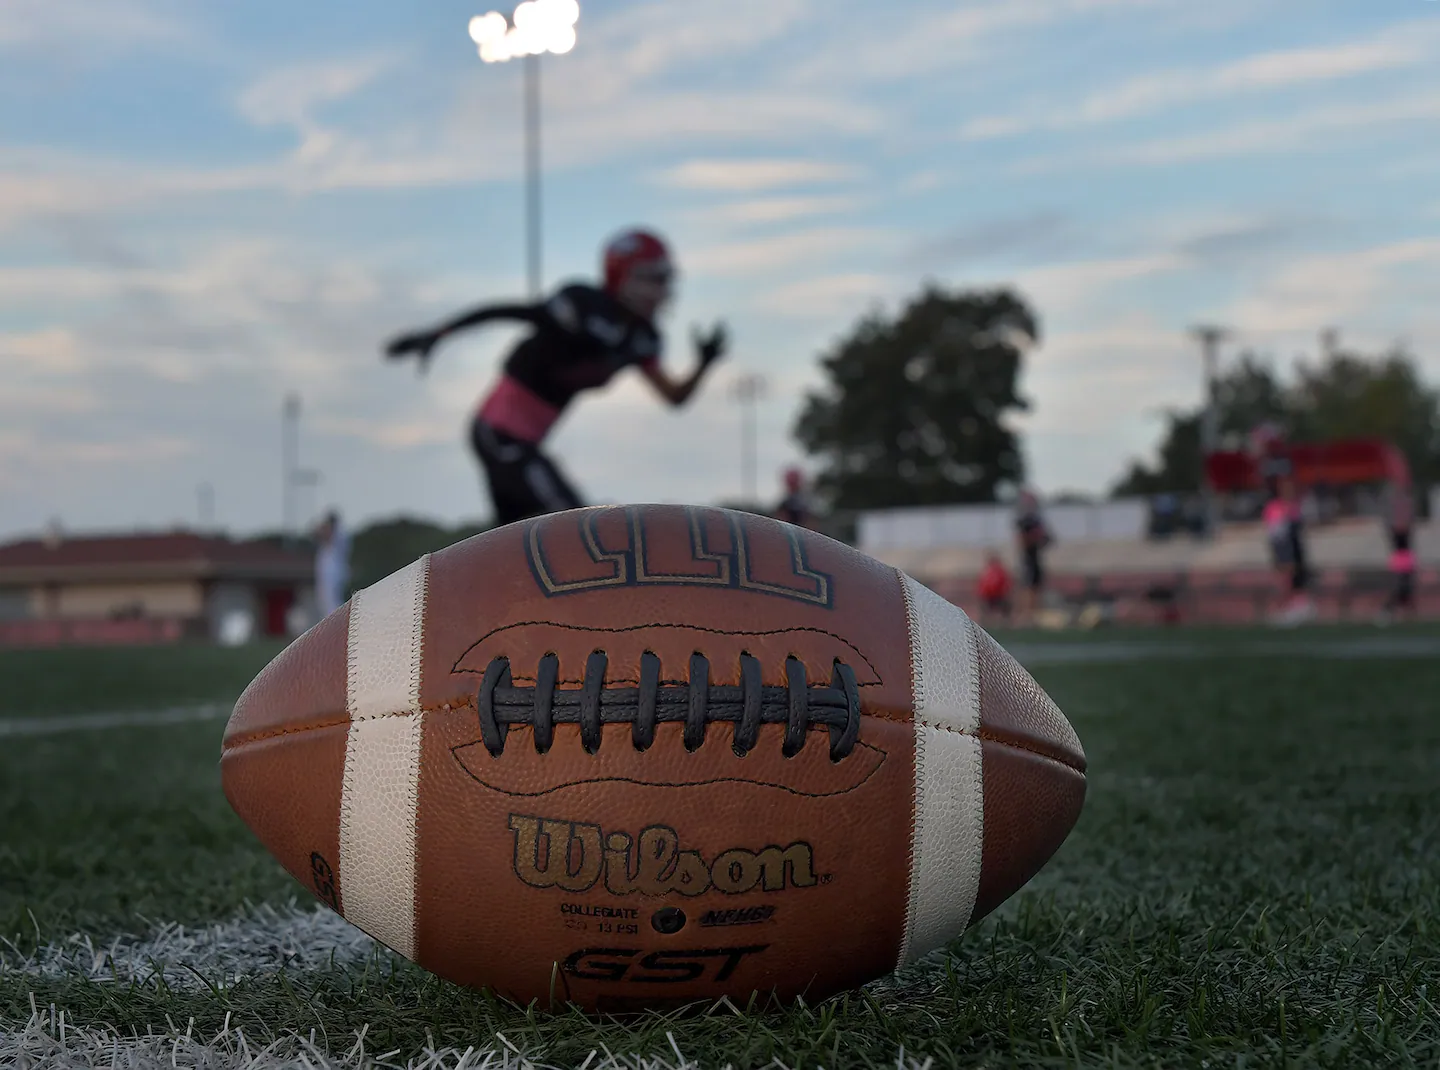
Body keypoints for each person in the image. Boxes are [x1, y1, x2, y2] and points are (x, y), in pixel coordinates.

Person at [384, 229, 727, 525]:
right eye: (653, 278)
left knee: (517, 541)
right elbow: (511, 312)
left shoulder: (643, 337)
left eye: (665, 279)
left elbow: (674, 397)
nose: (662, 289)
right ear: (624, 276)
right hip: (498, 432)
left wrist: (704, 364)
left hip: (525, 442)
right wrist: (439, 333)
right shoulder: (583, 306)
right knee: (572, 525)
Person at [1264, 475, 1315, 625]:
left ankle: (1296, 606)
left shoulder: (1295, 506)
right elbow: (1275, 530)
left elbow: (1300, 526)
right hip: (1282, 547)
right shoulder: (1274, 507)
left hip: (1294, 546)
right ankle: (1282, 608)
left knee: (1297, 577)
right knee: (1285, 578)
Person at [1014, 489, 1051, 621]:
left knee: (1035, 585)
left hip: (1034, 557)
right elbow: (1022, 539)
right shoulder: (1024, 519)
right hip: (1028, 557)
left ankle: (1033, 613)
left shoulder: (1035, 519)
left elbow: (1046, 539)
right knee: (1028, 586)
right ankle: (1026, 614)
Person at [314, 510, 350, 618]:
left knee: (333, 601)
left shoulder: (339, 535)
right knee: (324, 600)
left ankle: (337, 620)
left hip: (334, 572)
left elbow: (323, 533)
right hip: (327, 573)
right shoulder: (327, 544)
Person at [976, 551, 1012, 624]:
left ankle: (1004, 621)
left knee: (1005, 608)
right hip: (992, 596)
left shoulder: (994, 571)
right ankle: (987, 621)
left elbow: (1006, 583)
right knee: (987, 609)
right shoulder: (989, 571)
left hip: (997, 596)